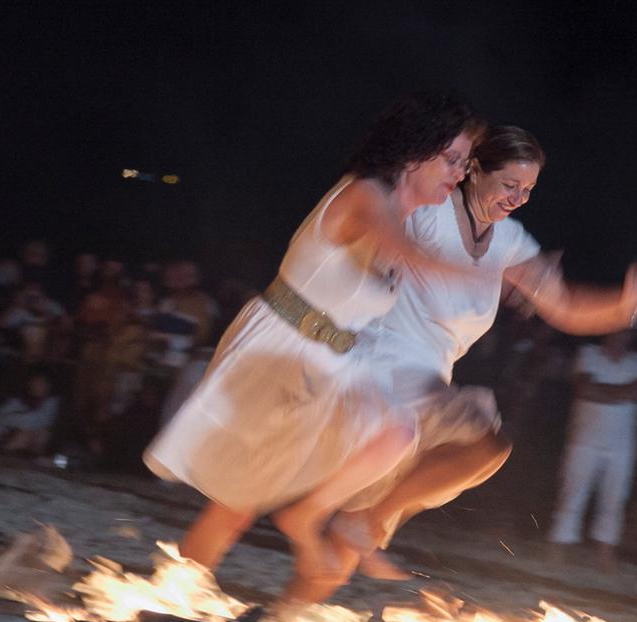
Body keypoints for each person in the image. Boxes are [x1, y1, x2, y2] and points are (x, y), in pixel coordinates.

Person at [284, 125, 637, 604]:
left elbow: (563, 306)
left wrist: (622, 307)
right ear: (475, 169)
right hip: (378, 366)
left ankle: (286, 616)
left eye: (528, 190)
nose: (518, 198)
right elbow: (373, 230)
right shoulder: (430, 212)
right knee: (484, 443)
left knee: (348, 552)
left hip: (428, 379)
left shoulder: (509, 241)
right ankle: (366, 520)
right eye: (510, 185)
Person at [144, 93, 485, 579]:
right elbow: (408, 253)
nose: (459, 173)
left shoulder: (402, 214)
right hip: (279, 348)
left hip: (333, 361)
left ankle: (306, 514)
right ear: (414, 151)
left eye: (465, 164)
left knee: (396, 432)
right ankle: (174, 591)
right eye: (452, 159)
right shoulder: (366, 195)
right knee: (237, 502)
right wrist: (499, 277)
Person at [547, 330, 637, 571]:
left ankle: (604, 557)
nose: (621, 336)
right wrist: (621, 393)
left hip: (621, 446)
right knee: (572, 495)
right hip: (584, 441)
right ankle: (558, 553)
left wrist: (602, 391)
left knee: (614, 501)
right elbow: (584, 389)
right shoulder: (588, 354)